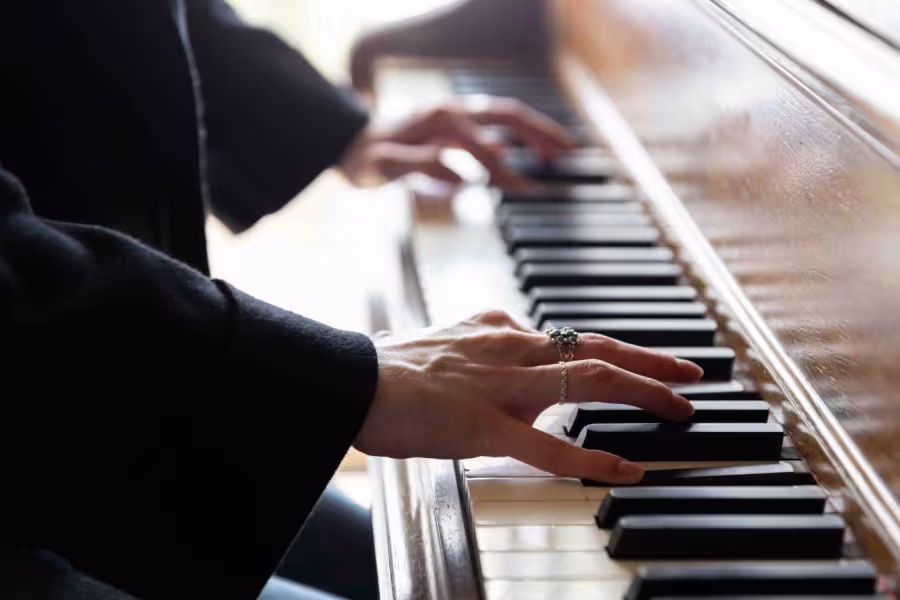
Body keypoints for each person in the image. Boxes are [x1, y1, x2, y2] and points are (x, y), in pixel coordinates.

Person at [0, 2, 704, 599]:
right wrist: (340, 377)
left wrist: (321, 126)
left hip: (114, 401)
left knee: (405, 557)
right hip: (36, 438)